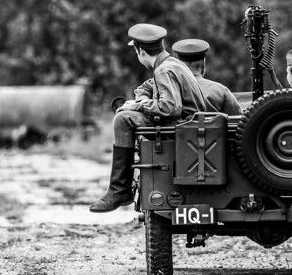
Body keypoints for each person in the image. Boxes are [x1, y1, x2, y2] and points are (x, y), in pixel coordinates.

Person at [88, 23, 210, 213]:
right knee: (126, 112)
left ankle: (119, 190)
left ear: (140, 51)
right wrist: (141, 100)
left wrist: (137, 105)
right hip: (191, 128)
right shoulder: (173, 64)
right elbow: (146, 88)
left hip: (181, 131)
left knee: (123, 119)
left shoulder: (163, 70)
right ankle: (119, 189)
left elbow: (170, 107)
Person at [135, 39, 242, 115]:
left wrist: (142, 101)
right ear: (203, 64)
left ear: (178, 63)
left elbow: (142, 90)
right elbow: (239, 124)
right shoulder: (221, 91)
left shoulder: (162, 81)